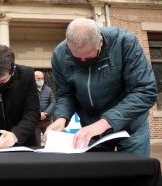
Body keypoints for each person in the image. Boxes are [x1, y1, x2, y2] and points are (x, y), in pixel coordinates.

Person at [47, 18, 157, 157]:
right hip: (91, 128)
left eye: (88, 58)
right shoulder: (59, 54)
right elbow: (66, 94)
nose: (82, 62)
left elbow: (145, 91)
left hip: (131, 125)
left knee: (135, 174)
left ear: (100, 41)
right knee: (98, 175)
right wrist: (61, 118)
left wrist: (105, 122)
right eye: (77, 58)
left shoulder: (124, 42)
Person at [34, 70, 56, 146]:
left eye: (42, 78)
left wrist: (45, 114)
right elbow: (29, 105)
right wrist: (38, 114)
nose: (41, 80)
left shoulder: (48, 90)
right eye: (38, 79)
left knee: (51, 142)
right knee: (36, 144)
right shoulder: (30, 90)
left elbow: (53, 103)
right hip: (35, 122)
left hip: (48, 121)